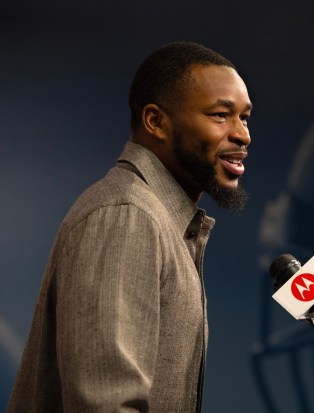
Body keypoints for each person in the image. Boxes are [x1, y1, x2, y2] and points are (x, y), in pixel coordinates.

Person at [7, 41, 253, 412]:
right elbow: (106, 404)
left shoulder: (160, 218)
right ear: (155, 121)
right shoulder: (127, 214)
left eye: (245, 118)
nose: (242, 135)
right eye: (221, 115)